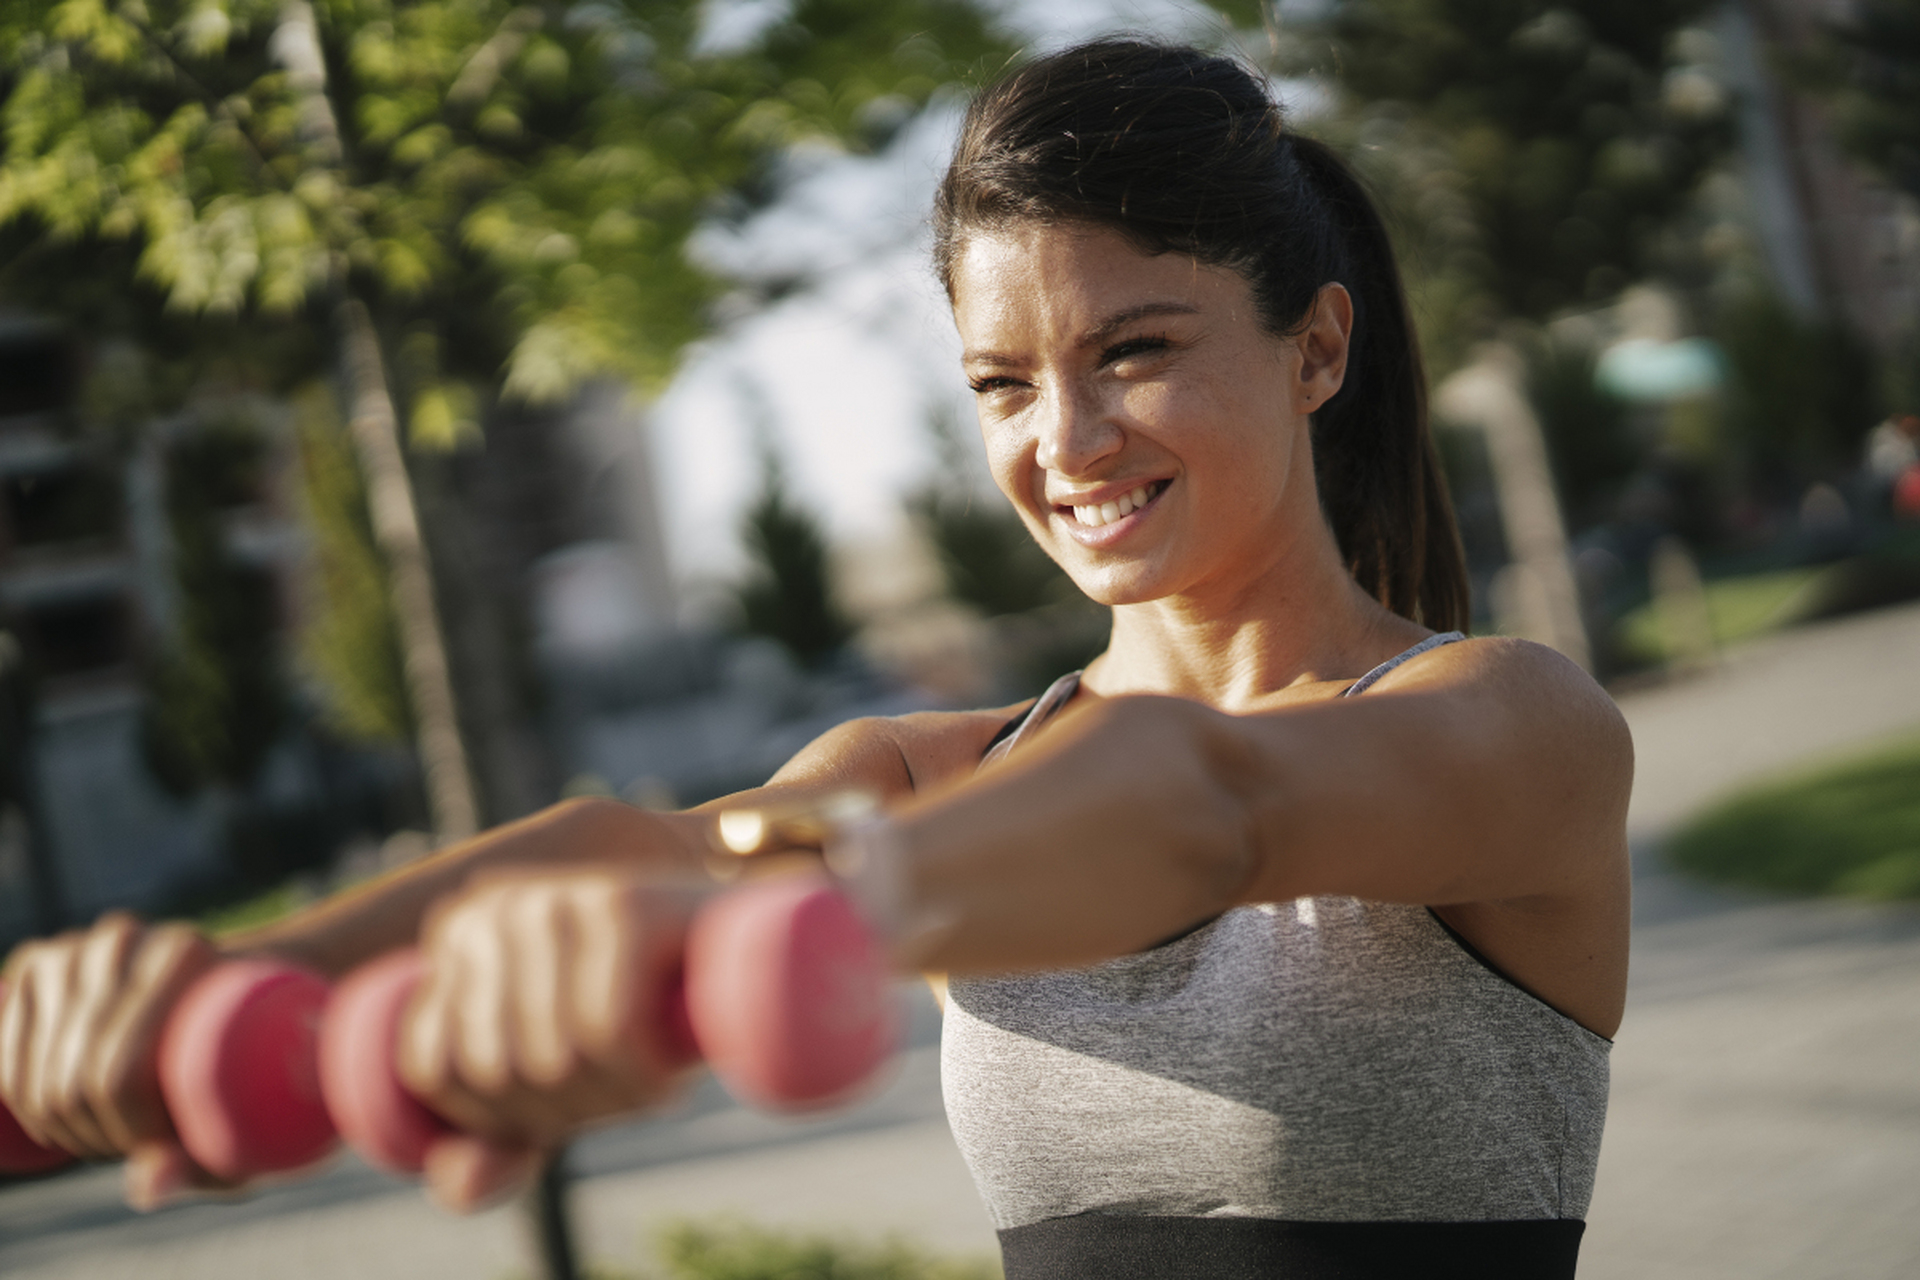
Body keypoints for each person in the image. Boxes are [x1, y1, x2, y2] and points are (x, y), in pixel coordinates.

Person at [0, 39, 1630, 1278]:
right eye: (1002, 383)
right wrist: (233, 987)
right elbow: (631, 849)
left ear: (1316, 347)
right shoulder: (924, 772)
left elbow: (1208, 800)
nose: (1064, 441)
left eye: (1134, 351)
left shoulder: (1508, 726)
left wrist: (829, 913)